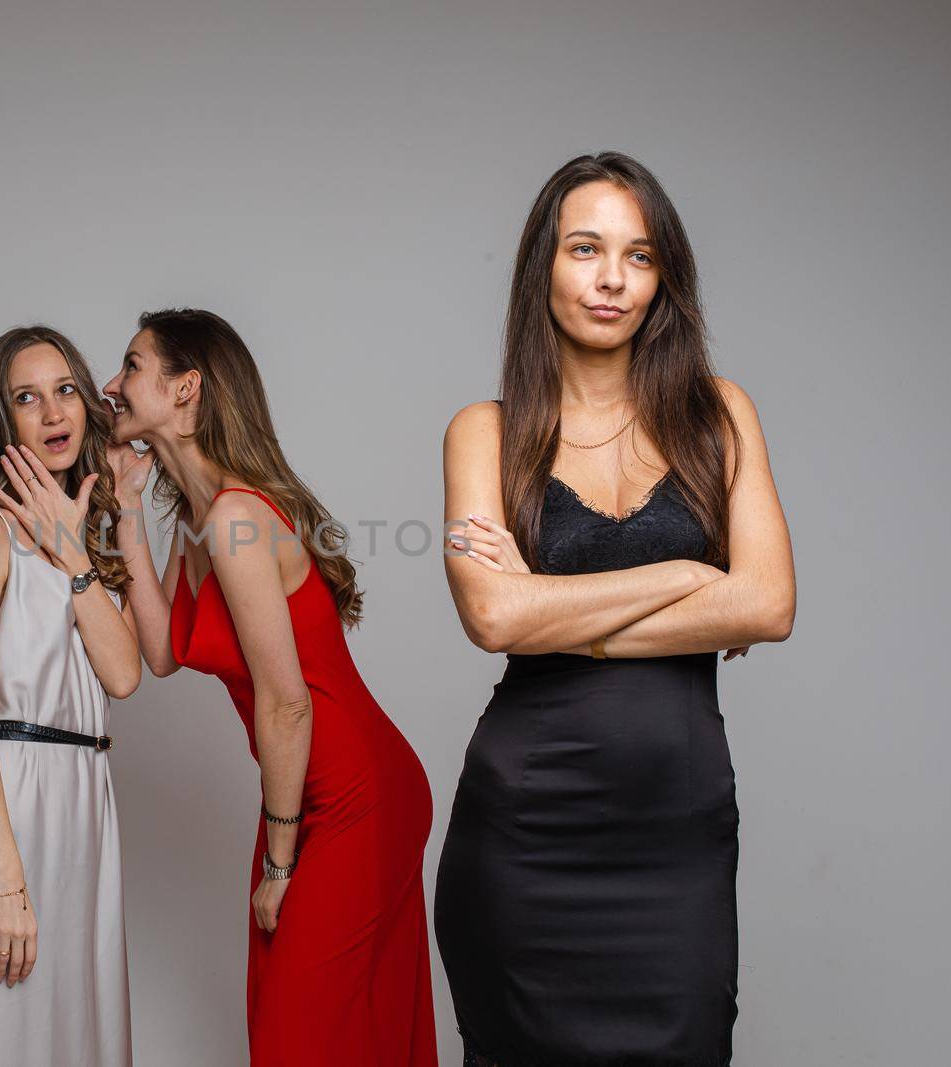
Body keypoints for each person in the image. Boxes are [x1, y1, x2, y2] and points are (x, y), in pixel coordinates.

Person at [433, 151, 797, 1066]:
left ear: (662, 277)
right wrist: (685, 575)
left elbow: (769, 601)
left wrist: (557, 606)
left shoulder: (719, 414)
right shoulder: (486, 431)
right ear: (542, 268)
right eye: (585, 248)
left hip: (676, 831)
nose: (610, 279)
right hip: (523, 832)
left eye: (638, 256)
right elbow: (495, 620)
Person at [100, 308, 439, 1066]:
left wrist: (280, 862)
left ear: (185, 388)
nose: (110, 385)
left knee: (302, 1037)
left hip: (353, 793)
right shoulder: (200, 520)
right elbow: (156, 652)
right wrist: (124, 506)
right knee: (318, 1031)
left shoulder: (234, 518)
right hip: (302, 792)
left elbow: (287, 702)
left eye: (130, 365)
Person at [0, 325, 140, 1066]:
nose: (53, 412)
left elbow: (125, 673)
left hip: (80, 810)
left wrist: (75, 552)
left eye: (66, 388)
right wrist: (6, 879)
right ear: (0, 420)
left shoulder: (82, 538)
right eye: (26, 397)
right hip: (5, 814)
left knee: (72, 1040)